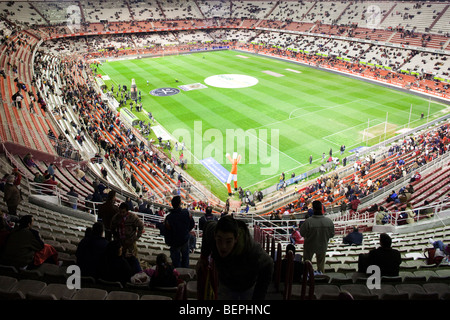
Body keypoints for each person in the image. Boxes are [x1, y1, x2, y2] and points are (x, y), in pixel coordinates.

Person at [198, 215, 274, 300]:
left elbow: (269, 264)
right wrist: (204, 256)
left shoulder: (250, 249)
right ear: (215, 235)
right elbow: (207, 226)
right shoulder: (212, 232)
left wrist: (258, 297)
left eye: (228, 241)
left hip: (247, 286)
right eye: (219, 240)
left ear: (236, 239)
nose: (223, 247)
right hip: (225, 283)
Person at [299, 200, 335, 273]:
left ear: (314, 209)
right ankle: (321, 279)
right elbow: (332, 234)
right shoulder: (329, 221)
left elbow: (302, 233)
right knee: (321, 267)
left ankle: (307, 278)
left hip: (309, 246)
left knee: (306, 265)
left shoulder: (308, 222)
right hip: (322, 246)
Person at [163, 196, 195, 268]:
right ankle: (185, 276)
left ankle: (178, 276)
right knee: (185, 260)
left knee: (176, 263)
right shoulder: (186, 213)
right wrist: (187, 231)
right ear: (180, 203)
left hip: (174, 242)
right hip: (184, 240)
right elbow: (192, 224)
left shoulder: (169, 218)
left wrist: (169, 242)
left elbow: (167, 232)